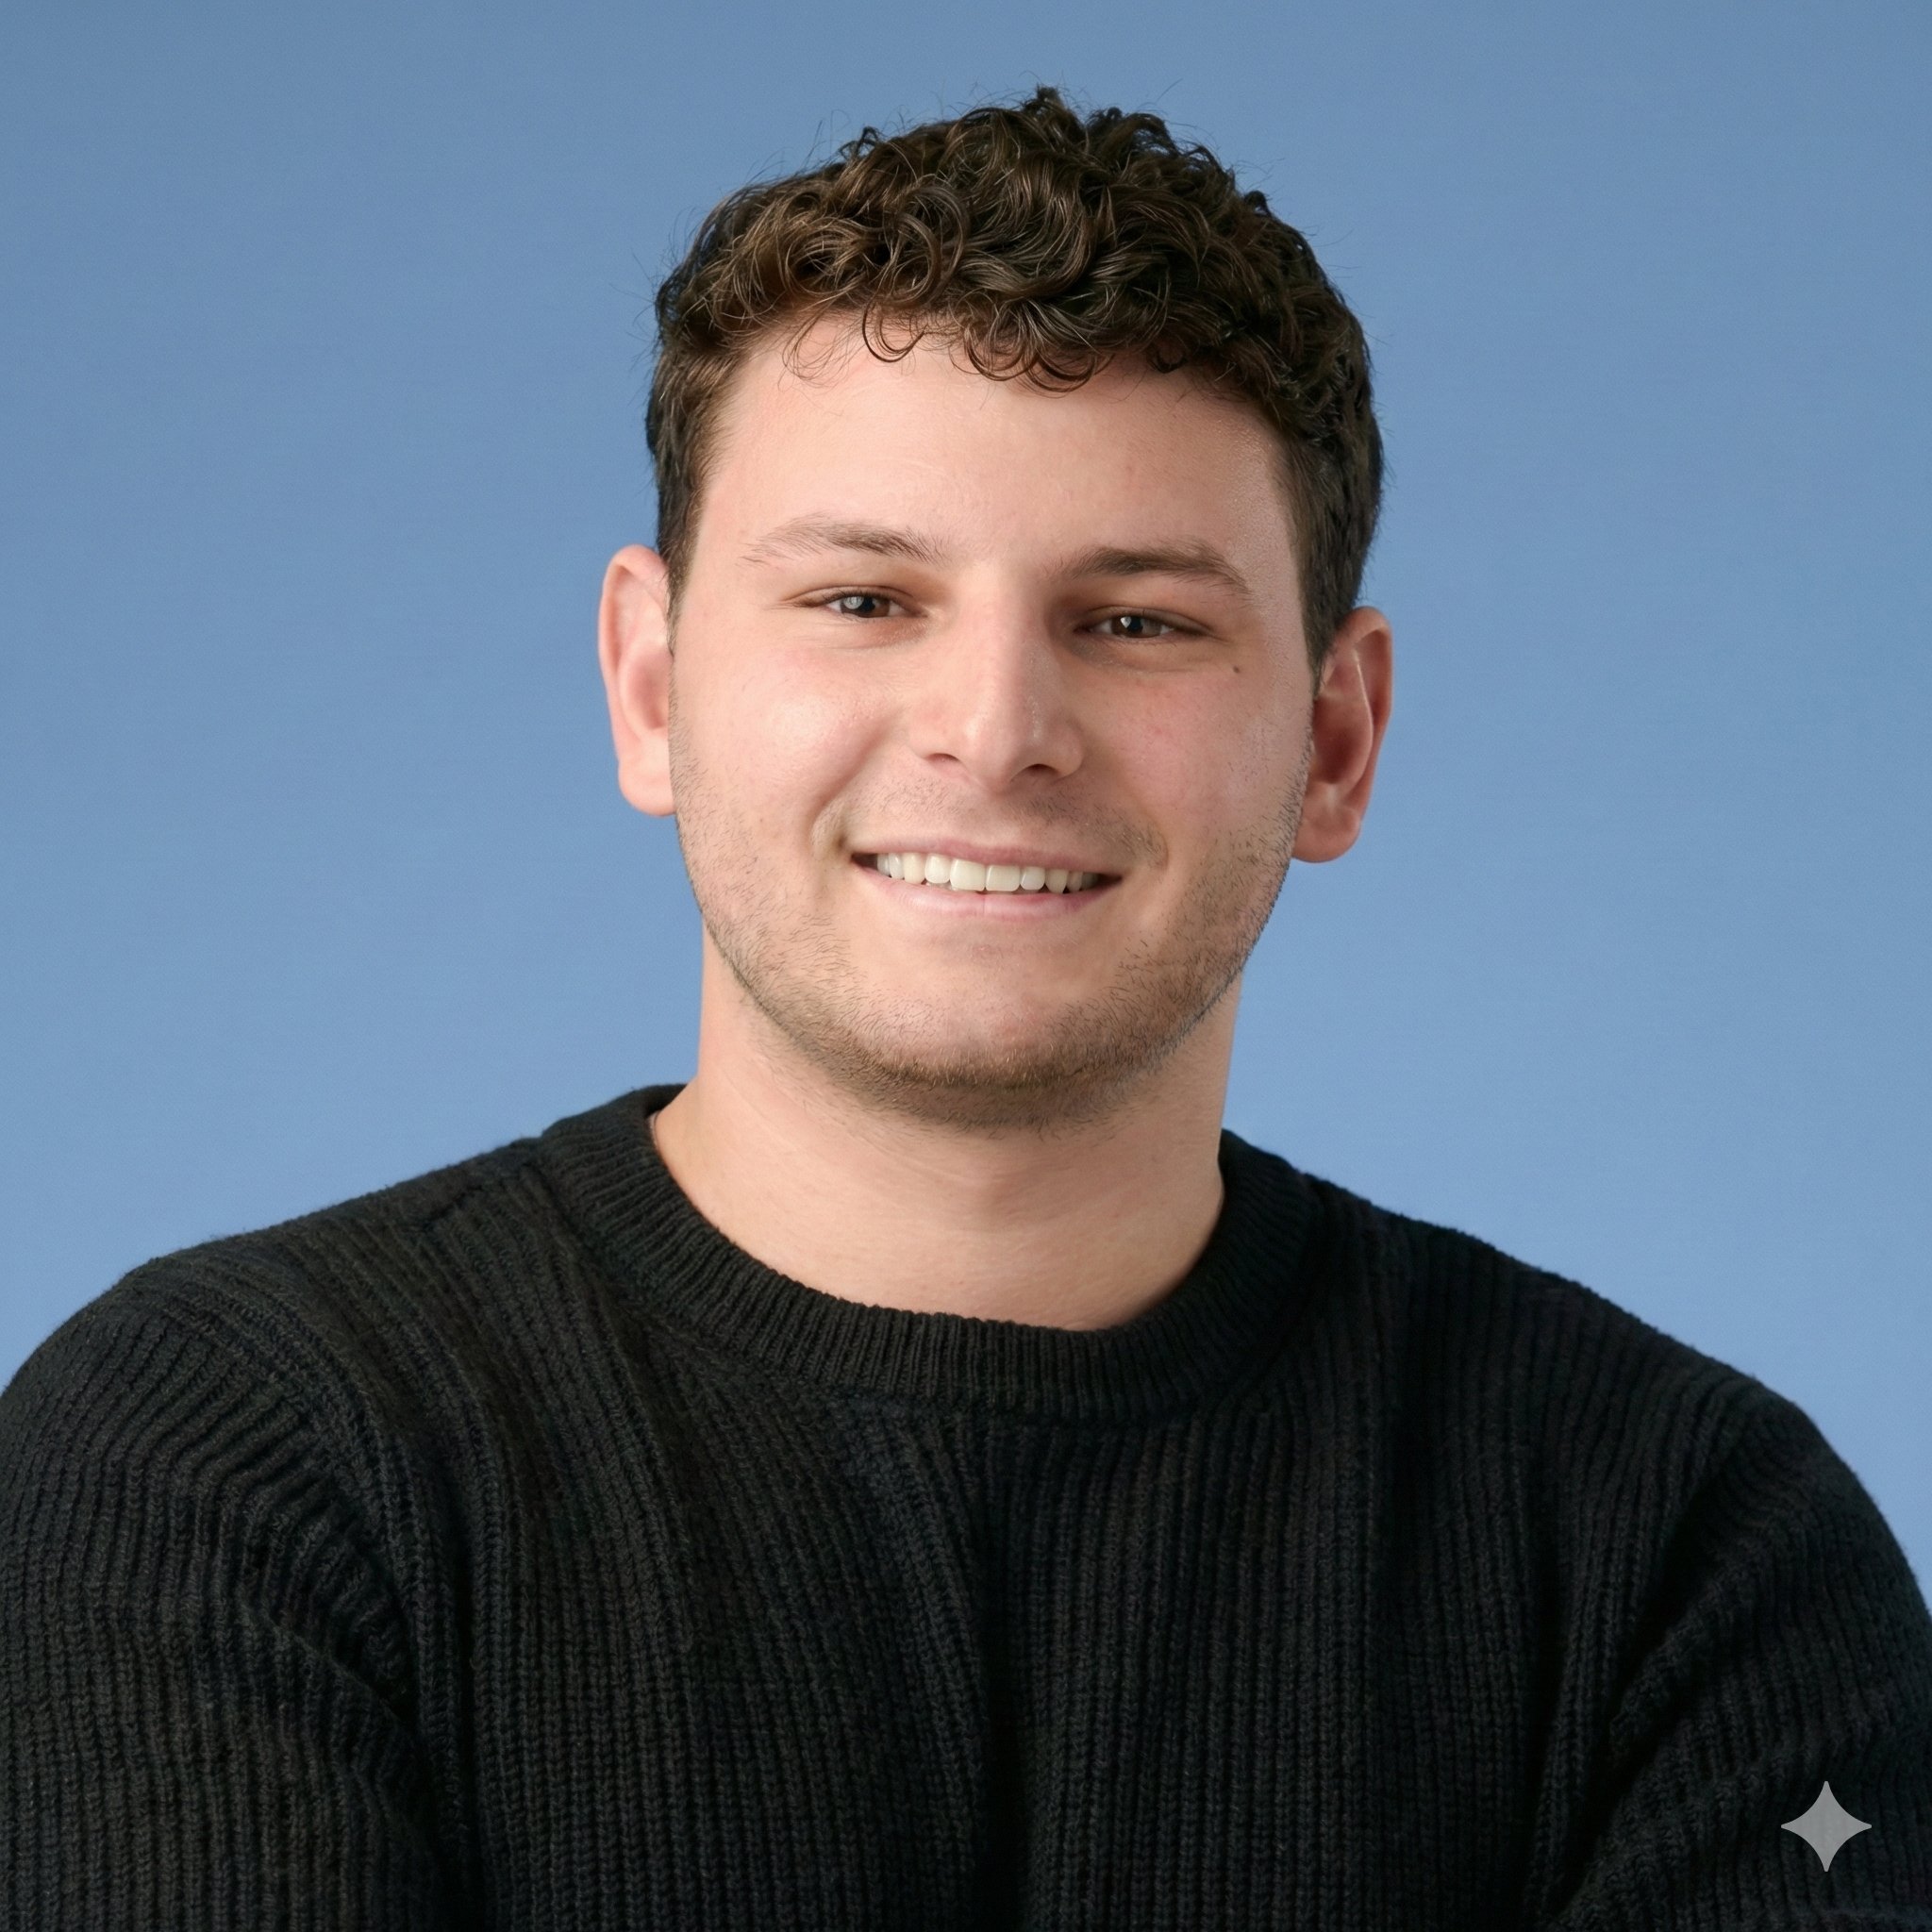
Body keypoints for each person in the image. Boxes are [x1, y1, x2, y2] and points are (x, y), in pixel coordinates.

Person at [2, 89, 1927, 1931]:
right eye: (861, 600)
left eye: (1138, 620)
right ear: (652, 685)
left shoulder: (1683, 1549)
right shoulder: (221, 1465)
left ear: (1335, 738)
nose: (995, 733)